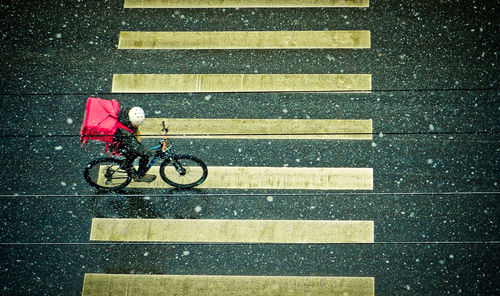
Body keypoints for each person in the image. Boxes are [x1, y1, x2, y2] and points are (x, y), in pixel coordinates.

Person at [113, 106, 156, 182]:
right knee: (142, 155)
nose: (137, 126)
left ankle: (129, 164)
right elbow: (136, 147)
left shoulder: (126, 114)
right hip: (118, 145)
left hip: (120, 139)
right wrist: (148, 152)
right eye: (136, 124)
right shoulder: (124, 131)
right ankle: (139, 174)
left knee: (137, 152)